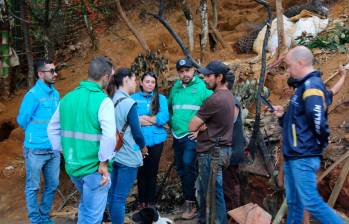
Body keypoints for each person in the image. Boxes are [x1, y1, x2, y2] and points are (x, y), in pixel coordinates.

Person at [272, 46, 344, 224]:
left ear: (300, 62)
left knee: (311, 203)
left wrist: (321, 141)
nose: (288, 70)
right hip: (295, 155)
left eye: (289, 66)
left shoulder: (312, 86)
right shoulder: (303, 87)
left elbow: (316, 117)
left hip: (303, 155)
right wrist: (283, 116)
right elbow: (299, 121)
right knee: (295, 204)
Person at [47, 56, 116, 224]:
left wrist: (64, 151)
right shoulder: (103, 101)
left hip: (74, 167)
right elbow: (109, 136)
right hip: (94, 170)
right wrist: (103, 163)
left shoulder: (67, 98)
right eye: (111, 77)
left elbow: (51, 129)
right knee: (92, 217)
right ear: (106, 77)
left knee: (86, 208)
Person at [189, 60, 235, 224]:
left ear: (219, 77)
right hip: (221, 150)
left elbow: (192, 125)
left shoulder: (213, 100)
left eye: (208, 76)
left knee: (213, 195)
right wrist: (207, 125)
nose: (204, 78)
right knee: (209, 192)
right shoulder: (229, 96)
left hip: (211, 153)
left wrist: (201, 126)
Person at [168, 58, 213, 219]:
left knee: (188, 166)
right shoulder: (176, 87)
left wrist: (203, 127)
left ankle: (191, 204)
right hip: (176, 135)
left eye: (187, 70)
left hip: (191, 136)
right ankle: (188, 200)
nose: (184, 74)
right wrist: (171, 124)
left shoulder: (202, 87)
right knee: (180, 168)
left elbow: (215, 109)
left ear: (194, 70)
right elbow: (170, 108)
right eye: (181, 71)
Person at [17, 59, 60, 224]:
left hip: (53, 149)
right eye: (51, 71)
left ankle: (43, 216)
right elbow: (22, 120)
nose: (55, 74)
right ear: (40, 73)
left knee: (52, 185)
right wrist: (37, 134)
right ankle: (35, 220)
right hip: (35, 150)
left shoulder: (56, 94)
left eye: (55, 70)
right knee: (33, 187)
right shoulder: (33, 95)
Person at [107, 67, 148, 224]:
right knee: (119, 198)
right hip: (128, 156)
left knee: (112, 195)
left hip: (113, 154)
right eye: (134, 79)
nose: (136, 83)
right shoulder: (129, 103)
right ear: (126, 80)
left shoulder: (109, 99)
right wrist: (143, 148)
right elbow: (137, 133)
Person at [131, 71, 169, 209]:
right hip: (139, 141)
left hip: (157, 140)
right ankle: (142, 201)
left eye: (153, 82)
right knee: (141, 171)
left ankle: (151, 202)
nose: (150, 84)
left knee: (152, 171)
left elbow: (164, 117)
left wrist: (145, 119)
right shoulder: (133, 98)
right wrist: (151, 120)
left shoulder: (161, 99)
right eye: (147, 81)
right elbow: (133, 118)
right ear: (141, 83)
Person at [222, 73, 246, 212]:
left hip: (232, 153)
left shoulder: (231, 101)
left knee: (230, 188)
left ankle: (233, 217)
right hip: (229, 152)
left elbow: (225, 125)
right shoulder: (229, 100)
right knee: (229, 187)